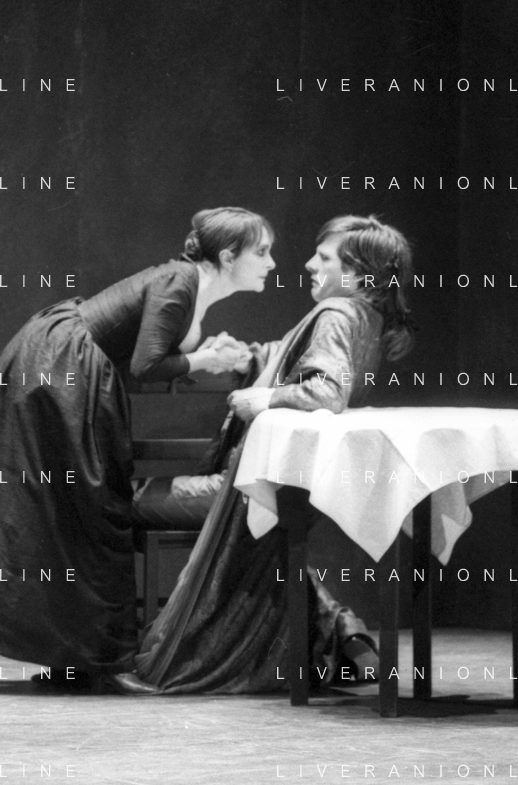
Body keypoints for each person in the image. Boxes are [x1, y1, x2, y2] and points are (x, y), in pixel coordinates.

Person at [0, 207, 275, 694]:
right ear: (228, 256)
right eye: (261, 252)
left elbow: (153, 351)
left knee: (71, 514)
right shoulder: (180, 281)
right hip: (58, 368)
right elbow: (146, 364)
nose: (271, 263)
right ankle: (85, 658)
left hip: (65, 365)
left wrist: (208, 355)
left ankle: (78, 659)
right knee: (74, 511)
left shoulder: (189, 287)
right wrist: (205, 358)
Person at [134, 213, 416, 693]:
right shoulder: (364, 317)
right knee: (280, 553)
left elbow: (325, 390)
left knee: (120, 502)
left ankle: (99, 641)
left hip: (252, 486)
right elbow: (293, 361)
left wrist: (262, 398)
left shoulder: (336, 314)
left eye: (323, 258)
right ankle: (344, 629)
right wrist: (249, 359)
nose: (308, 265)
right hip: (290, 487)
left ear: (357, 274)